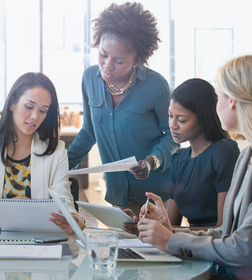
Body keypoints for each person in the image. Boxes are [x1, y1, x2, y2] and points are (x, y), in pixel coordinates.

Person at [137, 55, 252, 279]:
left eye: (219, 96)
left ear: (232, 100)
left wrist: (171, 240)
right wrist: (169, 232)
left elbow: (244, 249)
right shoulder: (249, 155)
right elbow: (226, 233)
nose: (216, 105)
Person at [67, 2, 179, 215]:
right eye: (103, 54)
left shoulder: (156, 86)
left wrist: (151, 161)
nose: (107, 65)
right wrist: (61, 166)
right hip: (117, 191)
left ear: (137, 59)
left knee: (151, 247)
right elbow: (90, 131)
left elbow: (171, 135)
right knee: (122, 246)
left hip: (155, 193)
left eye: (118, 60)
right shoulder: (89, 78)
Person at [123, 78, 240, 235]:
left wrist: (161, 230)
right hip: (188, 248)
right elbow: (171, 226)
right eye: (170, 116)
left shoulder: (225, 151)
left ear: (204, 118)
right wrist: (147, 224)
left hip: (216, 250)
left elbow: (223, 229)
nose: (172, 125)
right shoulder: (179, 159)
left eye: (182, 119)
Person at [0, 72, 85, 234]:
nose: (35, 117)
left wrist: (76, 219)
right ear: (12, 103)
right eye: (29, 107)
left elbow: (64, 201)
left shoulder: (56, 151)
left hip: (39, 239)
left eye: (43, 110)